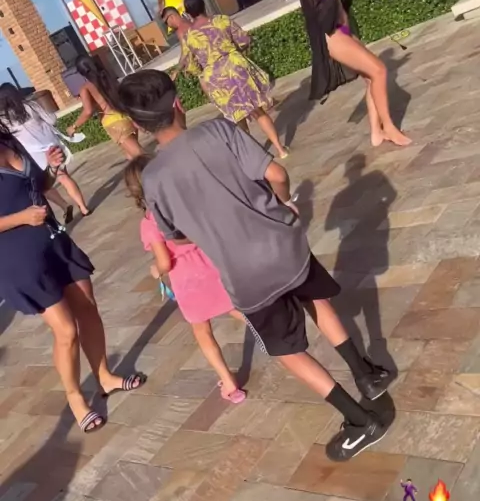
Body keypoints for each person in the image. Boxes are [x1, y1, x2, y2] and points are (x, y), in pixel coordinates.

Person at [118, 69, 395, 462]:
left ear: (137, 125)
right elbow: (277, 174)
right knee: (314, 300)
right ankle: (366, 374)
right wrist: (283, 202)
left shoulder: (154, 179)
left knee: (287, 350)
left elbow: (176, 237)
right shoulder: (218, 130)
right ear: (178, 102)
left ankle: (360, 420)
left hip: (244, 276)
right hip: (283, 244)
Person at [0, 123, 146, 433]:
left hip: (54, 241)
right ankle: (75, 398)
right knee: (66, 331)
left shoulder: (8, 140)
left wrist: (52, 169)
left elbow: (38, 185)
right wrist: (21, 218)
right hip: (19, 259)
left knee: (88, 308)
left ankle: (104, 376)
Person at [125, 155, 246, 404]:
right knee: (232, 305)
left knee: (203, 331)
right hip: (210, 263)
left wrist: (156, 270)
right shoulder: (183, 203)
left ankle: (229, 382)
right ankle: (268, 326)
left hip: (187, 279)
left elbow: (165, 262)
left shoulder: (149, 223)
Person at [293, 0, 411, 148]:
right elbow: (320, 16)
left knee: (371, 78)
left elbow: (339, 2)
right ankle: (389, 127)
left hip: (345, 30)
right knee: (379, 70)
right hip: (332, 36)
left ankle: (377, 133)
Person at [165, 0, 288, 159]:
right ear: (204, 6)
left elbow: (191, 64)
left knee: (238, 119)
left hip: (216, 79)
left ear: (188, 13)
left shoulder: (189, 36)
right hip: (236, 68)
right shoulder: (221, 20)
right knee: (258, 111)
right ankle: (280, 149)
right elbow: (244, 40)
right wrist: (232, 52)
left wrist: (203, 69)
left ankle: (256, 156)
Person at [0, 83, 90, 224]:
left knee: (43, 184)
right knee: (64, 176)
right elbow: (52, 120)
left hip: (34, 154)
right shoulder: (30, 106)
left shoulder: (4, 119)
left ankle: (64, 205)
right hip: (52, 145)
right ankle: (83, 208)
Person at [68, 54, 143, 159]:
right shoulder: (107, 77)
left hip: (113, 122)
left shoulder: (86, 87)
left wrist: (73, 126)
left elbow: (88, 111)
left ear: (81, 72)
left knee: (140, 156)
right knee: (131, 156)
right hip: (125, 116)